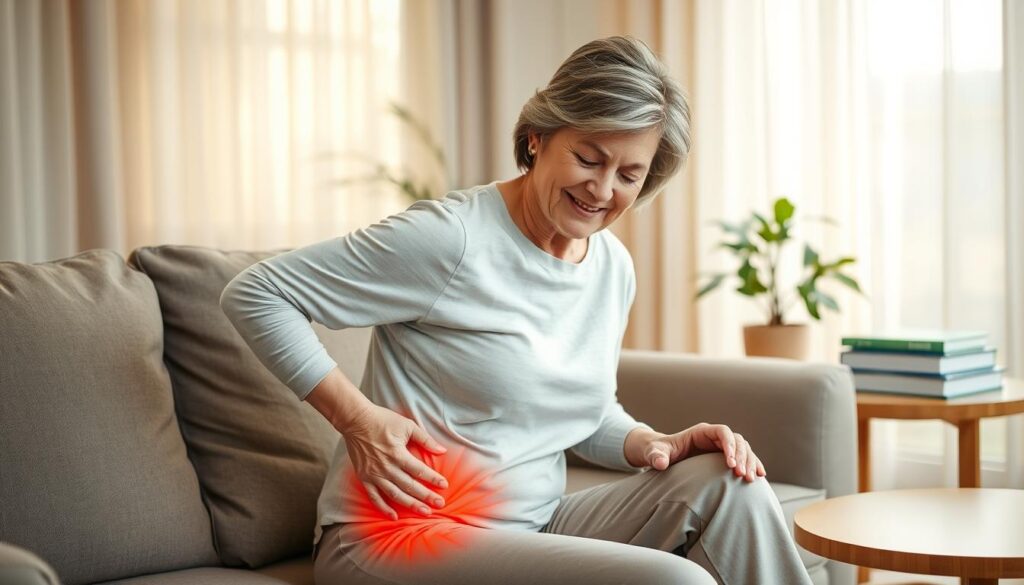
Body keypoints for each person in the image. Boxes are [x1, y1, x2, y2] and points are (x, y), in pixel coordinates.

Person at [221, 36, 812, 585]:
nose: (603, 190)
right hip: (395, 535)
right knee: (675, 581)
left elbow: (583, 413)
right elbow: (256, 292)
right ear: (537, 137)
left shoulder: (612, 266)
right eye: (589, 158)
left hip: (535, 527)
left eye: (628, 174)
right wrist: (357, 420)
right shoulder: (451, 239)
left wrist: (655, 442)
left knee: (728, 483)